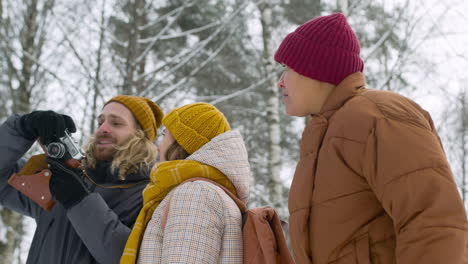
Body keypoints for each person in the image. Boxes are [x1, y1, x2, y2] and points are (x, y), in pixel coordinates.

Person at [274, 13, 468, 264]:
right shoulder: (321, 140)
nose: (280, 82)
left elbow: (434, 223)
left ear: (316, 67)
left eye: (287, 68)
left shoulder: (378, 117)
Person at [0, 95, 164, 264]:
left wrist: (79, 201)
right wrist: (21, 128)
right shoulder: (63, 178)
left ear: (141, 137)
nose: (103, 129)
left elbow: (131, 257)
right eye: (100, 122)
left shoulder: (150, 197)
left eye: (116, 123)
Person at [120, 103, 250, 264]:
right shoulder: (208, 192)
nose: (158, 148)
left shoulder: (195, 194)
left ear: (181, 142)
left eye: (164, 134)